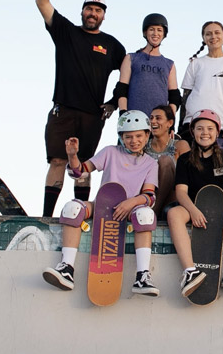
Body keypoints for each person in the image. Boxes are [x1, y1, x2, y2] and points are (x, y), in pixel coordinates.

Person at [36, 0, 127, 217]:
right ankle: (47, 217)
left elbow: (128, 75)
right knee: (57, 161)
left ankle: (80, 214)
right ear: (82, 12)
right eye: (89, 9)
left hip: (92, 115)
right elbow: (42, 2)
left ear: (103, 16)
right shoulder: (66, 32)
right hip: (63, 109)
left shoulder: (112, 45)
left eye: (98, 10)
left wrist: (113, 103)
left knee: (84, 166)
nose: (93, 13)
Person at [43, 110, 161, 296]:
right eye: (128, 137)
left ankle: (142, 277)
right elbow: (80, 172)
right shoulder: (110, 152)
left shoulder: (151, 163)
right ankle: (66, 268)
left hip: (130, 210)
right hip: (102, 206)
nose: (134, 141)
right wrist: (73, 156)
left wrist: (129, 203)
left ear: (147, 135)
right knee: (72, 208)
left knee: (145, 215)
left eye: (139, 136)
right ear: (121, 137)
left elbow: (149, 196)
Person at [166, 109, 223, 296]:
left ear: (217, 132)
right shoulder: (185, 159)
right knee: (173, 214)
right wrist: (193, 211)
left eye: (209, 128)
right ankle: (190, 272)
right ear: (193, 132)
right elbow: (181, 192)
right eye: (200, 128)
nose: (205, 132)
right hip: (192, 206)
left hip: (221, 207)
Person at [179, 21, 223, 144]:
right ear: (203, 38)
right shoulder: (195, 63)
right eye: (208, 34)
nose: (213, 37)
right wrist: (181, 125)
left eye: (217, 33)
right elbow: (186, 97)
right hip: (192, 125)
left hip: (222, 126)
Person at [115, 13, 181, 118]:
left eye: (159, 30)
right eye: (151, 29)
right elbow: (121, 89)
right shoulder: (131, 58)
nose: (155, 33)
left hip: (158, 120)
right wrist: (123, 113)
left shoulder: (169, 64)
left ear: (164, 34)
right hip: (134, 118)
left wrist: (170, 119)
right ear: (145, 32)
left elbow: (174, 96)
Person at [146, 103, 187, 219]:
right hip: (147, 195)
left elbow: (191, 173)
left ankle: (154, 212)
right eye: (151, 118)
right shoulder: (143, 147)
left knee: (165, 161)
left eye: (158, 118)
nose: (153, 121)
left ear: (169, 123)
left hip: (172, 199)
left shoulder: (180, 145)